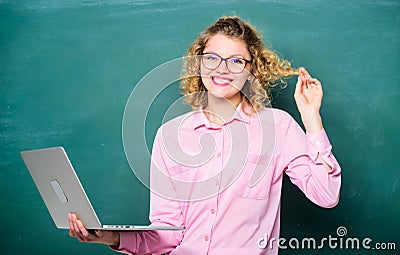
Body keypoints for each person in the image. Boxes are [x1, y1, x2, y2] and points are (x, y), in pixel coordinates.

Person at [68, 16, 341, 254]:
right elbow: (167, 233)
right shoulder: (170, 135)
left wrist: (311, 118)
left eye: (235, 61)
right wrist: (113, 237)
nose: (221, 69)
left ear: (251, 71)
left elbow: (326, 195)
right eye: (212, 58)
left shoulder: (278, 127)